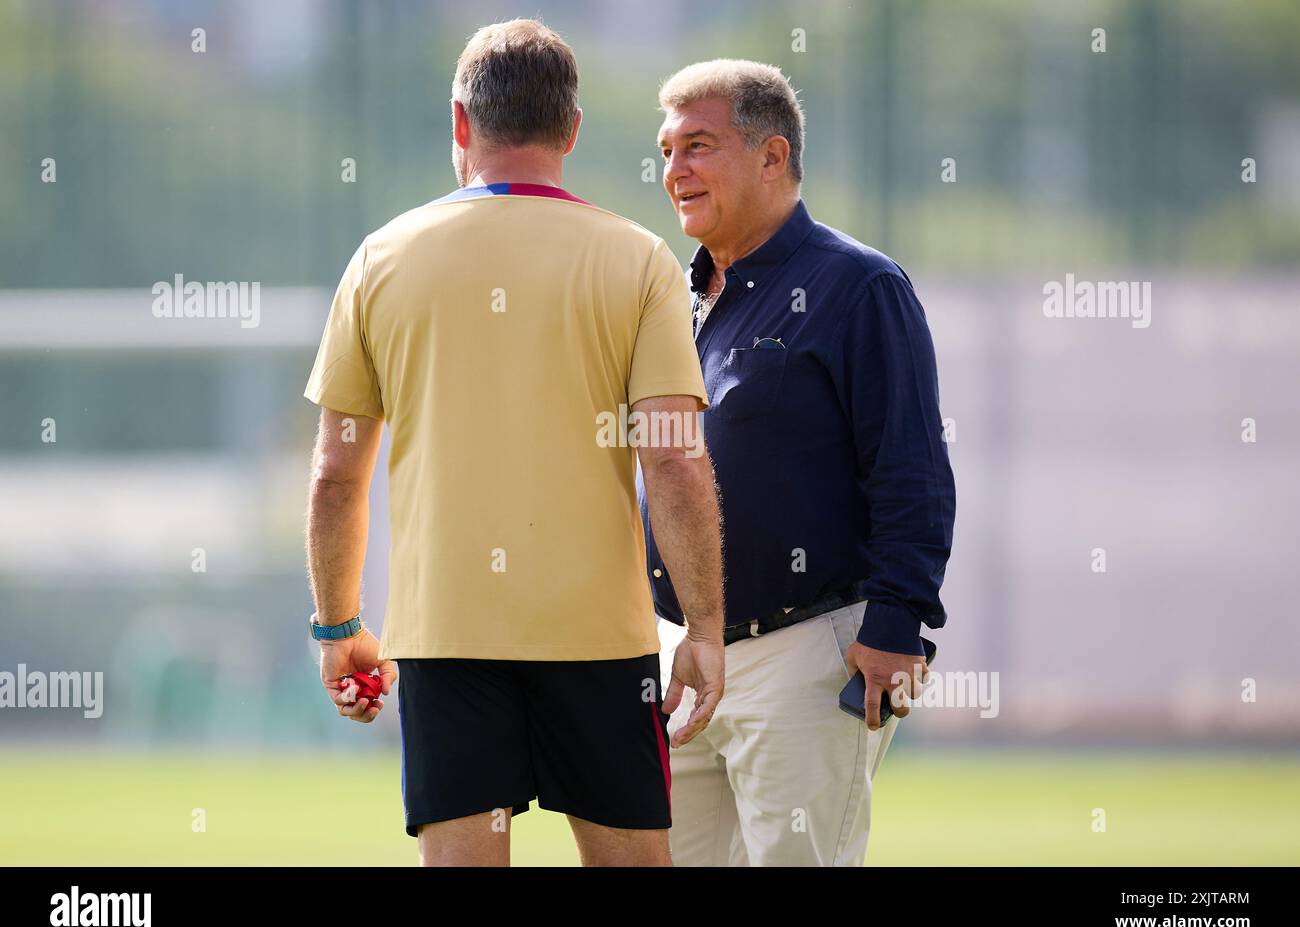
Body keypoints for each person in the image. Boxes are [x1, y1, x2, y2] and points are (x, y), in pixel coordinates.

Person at [303, 19, 724, 867]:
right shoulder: (639, 261)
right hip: (600, 640)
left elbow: (336, 473)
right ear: (572, 129)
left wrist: (339, 625)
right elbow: (674, 457)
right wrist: (705, 628)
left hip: (445, 633)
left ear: (461, 123)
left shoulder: (381, 258)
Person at [642, 59, 956, 866]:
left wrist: (896, 625)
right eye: (667, 150)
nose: (675, 170)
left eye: (698, 146)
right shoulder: (675, 300)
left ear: (773, 156)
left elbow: (912, 473)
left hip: (806, 655)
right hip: (682, 655)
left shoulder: (860, 286)